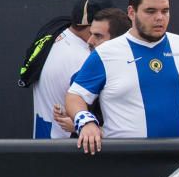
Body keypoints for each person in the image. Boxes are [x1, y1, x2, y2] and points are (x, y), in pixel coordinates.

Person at [67, 0, 179, 154]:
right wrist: (86, 122)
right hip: (128, 163)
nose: (159, 17)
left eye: (165, 11)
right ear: (132, 12)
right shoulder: (105, 53)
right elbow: (75, 96)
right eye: (150, 11)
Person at [32, 0, 114, 139]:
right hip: (67, 149)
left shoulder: (54, 35)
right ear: (92, 26)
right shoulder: (87, 59)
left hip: (43, 140)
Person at [52, 8, 132, 137]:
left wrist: (82, 126)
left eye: (98, 36)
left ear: (118, 40)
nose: (89, 41)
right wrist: (76, 116)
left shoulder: (136, 75)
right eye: (91, 34)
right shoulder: (82, 75)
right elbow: (79, 106)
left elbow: (132, 129)